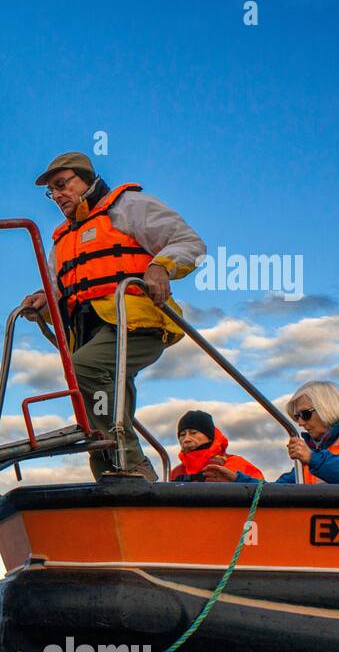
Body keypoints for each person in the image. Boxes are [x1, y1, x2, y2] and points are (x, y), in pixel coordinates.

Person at [20, 153, 204, 481]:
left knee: (85, 369)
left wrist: (161, 266)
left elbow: (188, 243)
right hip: (91, 331)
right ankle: (113, 477)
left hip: (136, 323)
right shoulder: (61, 241)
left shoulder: (129, 206)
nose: (57, 195)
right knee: (94, 394)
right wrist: (41, 303)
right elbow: (57, 292)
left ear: (87, 179)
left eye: (62, 185)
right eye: (52, 191)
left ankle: (132, 462)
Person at [233, 381, 339, 484]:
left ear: (325, 407)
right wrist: (237, 482)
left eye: (305, 415)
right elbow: (280, 489)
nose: (300, 423)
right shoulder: (317, 451)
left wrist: (313, 459)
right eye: (296, 417)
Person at [169, 409, 264, 482]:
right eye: (182, 435)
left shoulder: (237, 463)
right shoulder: (175, 472)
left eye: (193, 433)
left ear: (210, 437)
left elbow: (262, 492)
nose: (187, 439)